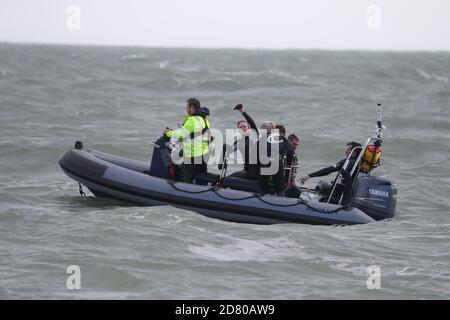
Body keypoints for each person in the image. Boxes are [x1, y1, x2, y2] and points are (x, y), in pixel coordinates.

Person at [163, 98, 212, 183]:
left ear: (192, 107)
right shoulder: (206, 121)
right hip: (204, 157)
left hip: (192, 158)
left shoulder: (192, 119)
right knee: (200, 180)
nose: (186, 110)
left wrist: (168, 133)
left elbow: (181, 134)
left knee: (185, 181)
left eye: (187, 108)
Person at [228, 104, 260, 180]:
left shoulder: (254, 137)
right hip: (247, 171)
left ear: (249, 127)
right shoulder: (238, 142)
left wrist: (243, 112)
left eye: (244, 126)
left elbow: (252, 124)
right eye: (240, 127)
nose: (243, 128)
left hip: (255, 172)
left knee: (229, 179)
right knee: (228, 178)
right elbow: (229, 150)